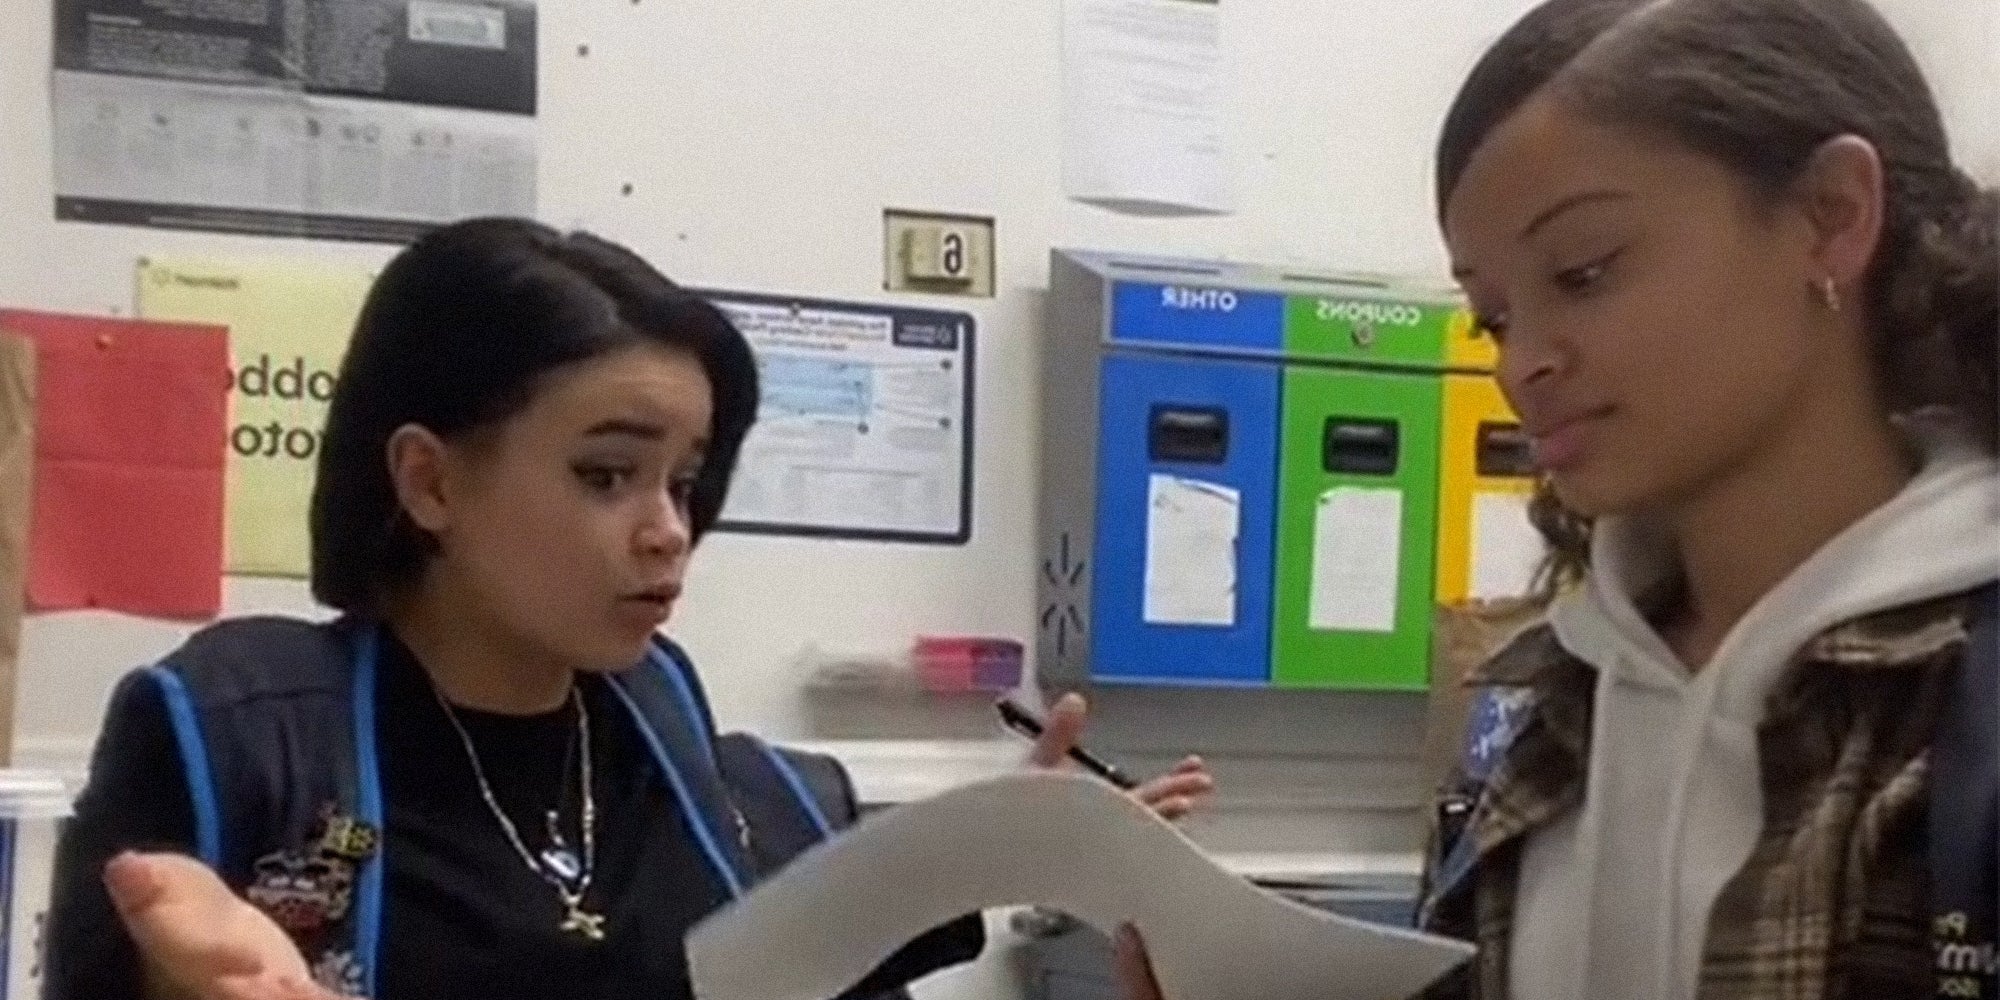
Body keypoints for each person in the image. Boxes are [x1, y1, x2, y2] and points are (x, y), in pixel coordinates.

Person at [47, 218, 1216, 1000]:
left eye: (685, 478)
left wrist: (1038, 842)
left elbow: (817, 934)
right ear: (430, 480)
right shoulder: (242, 732)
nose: (666, 527)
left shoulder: (693, 763)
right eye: (606, 475)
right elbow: (147, 952)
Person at [1119, 0, 1997, 998]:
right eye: (1491, 316)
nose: (1522, 363)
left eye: (1582, 273)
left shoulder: (1961, 702)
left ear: (1829, 215)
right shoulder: (1545, 701)